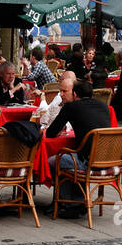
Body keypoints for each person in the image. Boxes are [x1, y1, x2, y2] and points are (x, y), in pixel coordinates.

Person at [46, 80, 112, 215]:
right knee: (71, 160)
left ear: (75, 94)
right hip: (109, 161)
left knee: (53, 161)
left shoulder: (71, 107)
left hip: (87, 162)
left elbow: (50, 133)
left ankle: (63, 202)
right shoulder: (104, 106)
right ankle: (77, 200)